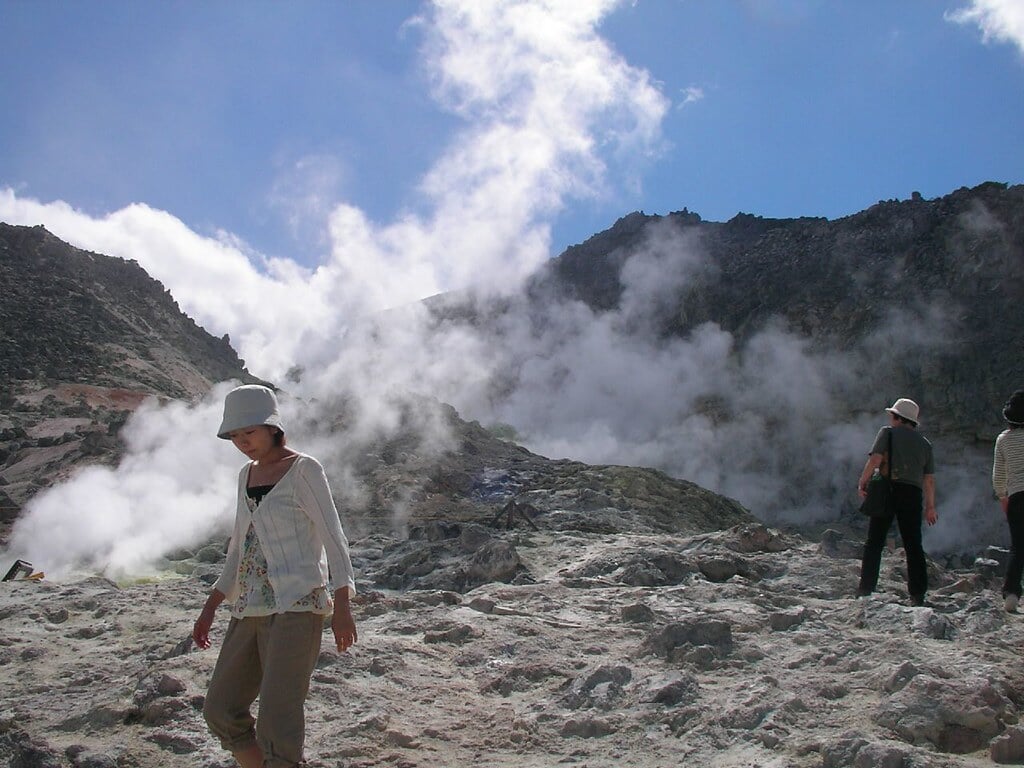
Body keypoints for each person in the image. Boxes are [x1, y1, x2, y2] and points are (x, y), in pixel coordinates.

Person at [193, 384, 357, 768]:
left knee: (277, 722)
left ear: (272, 428)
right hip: (248, 607)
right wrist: (211, 605)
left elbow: (334, 540)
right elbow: (240, 547)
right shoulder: (245, 476)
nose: (242, 443)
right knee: (220, 709)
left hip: (298, 606)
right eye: (235, 436)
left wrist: (343, 606)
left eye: (249, 432)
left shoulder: (304, 470)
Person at [856, 398, 937, 606]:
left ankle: (866, 589)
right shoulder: (925, 445)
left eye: (892, 416)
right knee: (913, 544)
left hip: (887, 489)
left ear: (899, 418)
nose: (890, 419)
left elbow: (875, 459)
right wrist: (930, 507)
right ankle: (917, 594)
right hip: (912, 494)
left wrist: (863, 481)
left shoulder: (887, 433)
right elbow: (928, 479)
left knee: (875, 541)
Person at [993, 389, 1024, 613]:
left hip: (1017, 497)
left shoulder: (1003, 440)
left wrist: (1003, 497)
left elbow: (999, 475)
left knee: (1018, 546)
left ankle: (1011, 592)